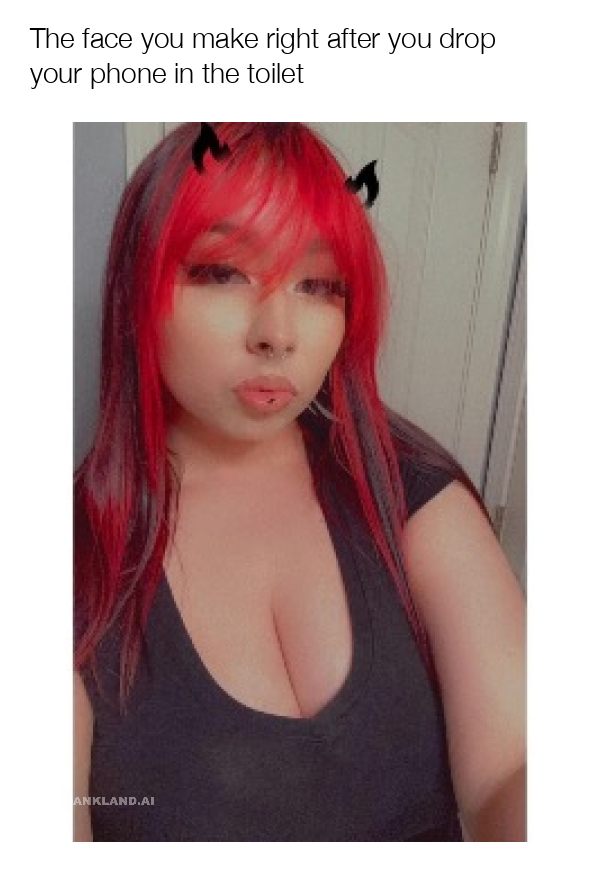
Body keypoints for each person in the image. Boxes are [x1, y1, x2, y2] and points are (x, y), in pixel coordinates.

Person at [73, 122, 526, 841]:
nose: (278, 334)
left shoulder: (410, 491)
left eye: (318, 285)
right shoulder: (72, 554)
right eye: (222, 272)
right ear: (138, 284)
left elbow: (513, 767)